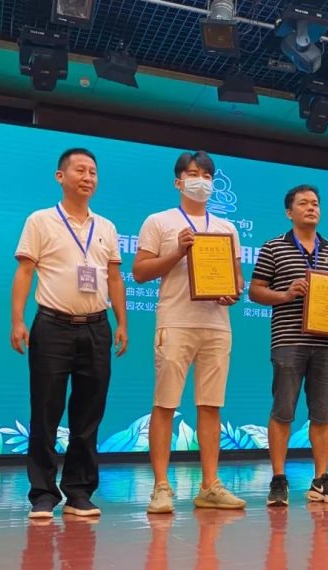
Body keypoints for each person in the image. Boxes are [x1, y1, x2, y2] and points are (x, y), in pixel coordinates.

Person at [11, 147, 128, 519]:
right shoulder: (40, 220)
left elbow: (114, 277)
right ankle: (43, 494)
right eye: (80, 170)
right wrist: (17, 320)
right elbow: (25, 271)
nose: (88, 177)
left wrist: (122, 323)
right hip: (52, 326)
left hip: (97, 327)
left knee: (88, 415)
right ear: (60, 176)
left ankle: (79, 492)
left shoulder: (106, 227)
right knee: (45, 412)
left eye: (93, 171)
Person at [133, 150, 246, 512]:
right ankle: (161, 486)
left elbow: (237, 278)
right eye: (194, 174)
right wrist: (178, 252)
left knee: (211, 406)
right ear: (178, 182)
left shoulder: (227, 228)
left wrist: (233, 291)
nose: (201, 181)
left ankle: (210, 485)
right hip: (176, 322)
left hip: (216, 325)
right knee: (165, 403)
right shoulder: (159, 221)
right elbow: (140, 272)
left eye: (207, 176)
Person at [249, 184, 328, 507]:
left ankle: (321, 479)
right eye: (304, 203)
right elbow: (255, 290)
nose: (311, 208)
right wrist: (286, 294)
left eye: (315, 203)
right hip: (288, 341)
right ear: (289, 212)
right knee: (283, 410)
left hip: (326, 344)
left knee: (322, 413)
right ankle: (279, 479)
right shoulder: (273, 247)